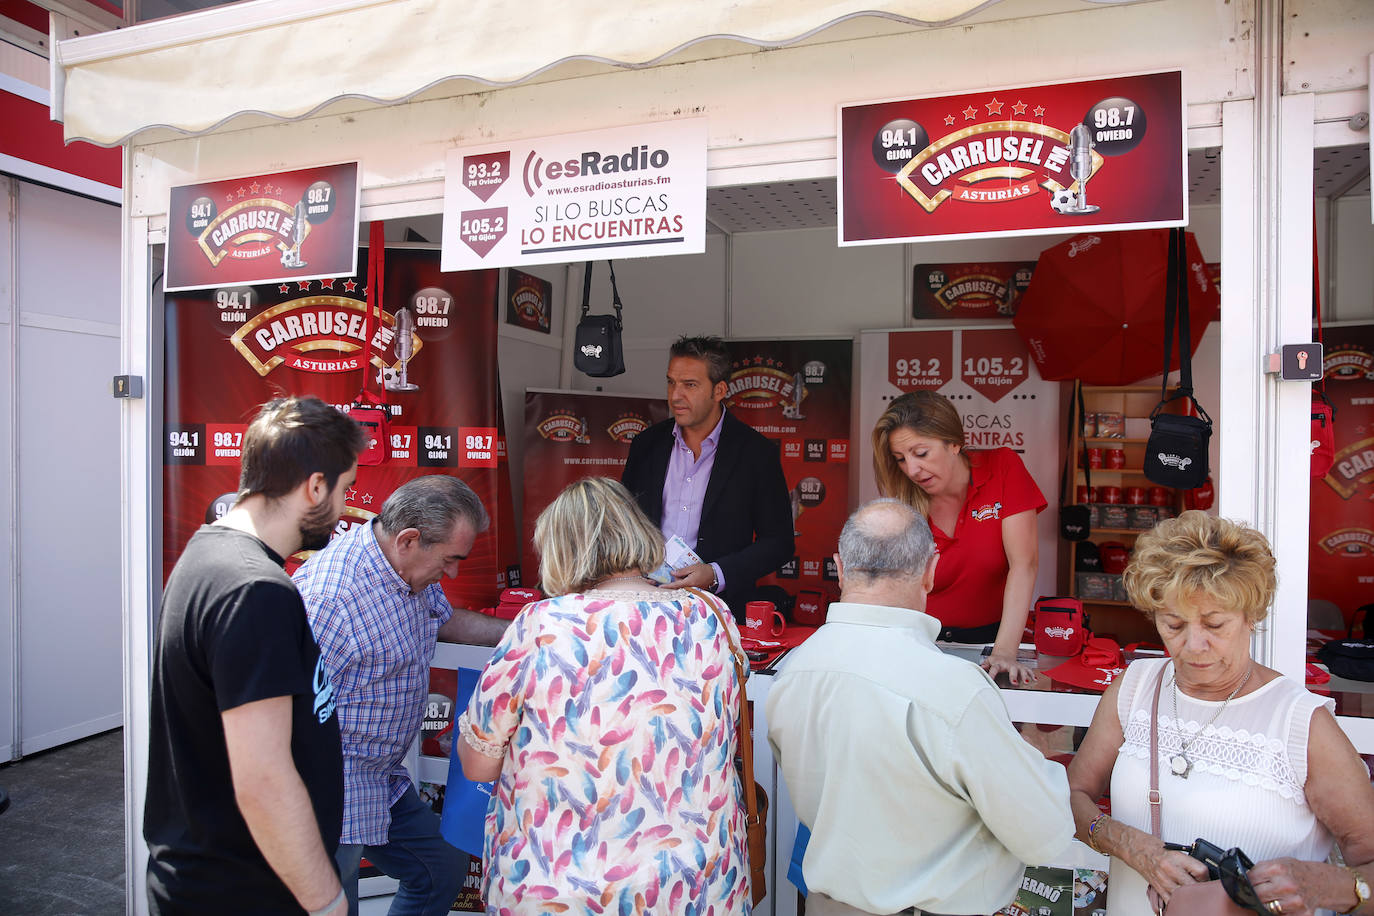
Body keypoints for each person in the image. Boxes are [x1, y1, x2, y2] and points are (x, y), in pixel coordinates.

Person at [456, 477, 751, 914]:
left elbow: (478, 764)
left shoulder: (540, 624)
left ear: (560, 549)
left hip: (562, 889)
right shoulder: (712, 614)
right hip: (698, 886)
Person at [766, 498, 1074, 916]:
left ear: (839, 567)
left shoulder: (792, 673)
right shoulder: (955, 691)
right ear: (931, 570)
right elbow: (1044, 834)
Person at [1066, 511, 1374, 916]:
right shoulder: (1135, 688)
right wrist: (1126, 843)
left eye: (1214, 624)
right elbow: (1070, 797)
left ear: (1251, 615)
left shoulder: (1301, 722)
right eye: (1174, 624)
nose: (1194, 645)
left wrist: (1329, 886)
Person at [145, 396, 366, 916]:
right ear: (315, 486)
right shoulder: (255, 590)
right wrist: (327, 900)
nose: (343, 507)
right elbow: (264, 778)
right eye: (345, 488)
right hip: (242, 891)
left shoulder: (206, 556)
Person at [294, 475, 510, 916]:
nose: (452, 573)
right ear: (409, 539)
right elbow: (290, 717)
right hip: (332, 789)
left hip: (383, 778)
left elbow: (446, 619)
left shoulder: (402, 563)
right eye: (450, 559)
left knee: (441, 869)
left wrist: (522, 632)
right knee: (334, 906)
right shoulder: (330, 601)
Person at [871, 390, 1045, 684]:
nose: (911, 470)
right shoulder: (904, 499)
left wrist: (1004, 651)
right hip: (920, 642)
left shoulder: (1003, 467)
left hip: (990, 643)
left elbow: (1024, 565)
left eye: (921, 453)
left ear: (954, 443)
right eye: (900, 459)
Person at [622, 334, 794, 618]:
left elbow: (779, 542)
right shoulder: (646, 445)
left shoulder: (756, 453)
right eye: (671, 382)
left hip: (719, 611)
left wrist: (715, 573)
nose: (675, 395)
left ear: (719, 390)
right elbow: (621, 524)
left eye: (689, 384)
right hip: (645, 605)